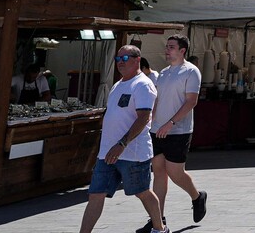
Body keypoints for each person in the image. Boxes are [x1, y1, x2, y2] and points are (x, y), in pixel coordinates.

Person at [79, 46, 167, 233]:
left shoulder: (143, 84)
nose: (120, 61)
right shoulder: (117, 85)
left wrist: (121, 144)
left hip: (132, 153)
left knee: (142, 192)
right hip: (107, 153)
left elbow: (143, 118)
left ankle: (159, 228)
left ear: (137, 60)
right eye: (118, 58)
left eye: (125, 57)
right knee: (95, 194)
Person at [138, 35, 206, 233]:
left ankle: (197, 196)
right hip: (156, 129)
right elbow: (158, 100)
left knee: (175, 173)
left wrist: (171, 123)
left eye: (171, 47)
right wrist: (151, 120)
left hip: (179, 130)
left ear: (182, 50)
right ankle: (157, 220)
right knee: (158, 172)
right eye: (166, 47)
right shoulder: (164, 73)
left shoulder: (191, 72)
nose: (167, 50)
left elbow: (191, 101)